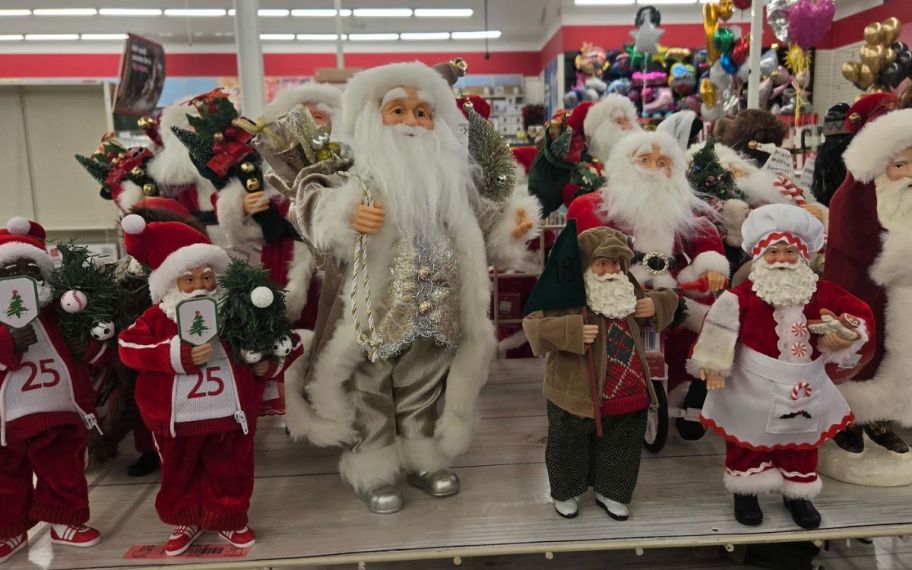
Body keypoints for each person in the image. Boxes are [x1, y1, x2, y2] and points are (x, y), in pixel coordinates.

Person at [286, 61, 539, 513]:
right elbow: (310, 202)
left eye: (422, 113)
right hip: (376, 309)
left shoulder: (450, 182)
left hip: (439, 308)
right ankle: (374, 465)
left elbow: (483, 223)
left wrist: (512, 226)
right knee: (370, 386)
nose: (411, 122)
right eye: (398, 111)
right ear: (371, 116)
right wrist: (347, 216)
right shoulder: (355, 173)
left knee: (425, 385)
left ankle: (423, 455)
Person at [117, 215, 302, 555]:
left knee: (230, 469)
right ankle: (185, 518)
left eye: (206, 277)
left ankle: (229, 519)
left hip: (229, 415)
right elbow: (128, 347)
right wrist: (175, 355)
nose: (201, 286)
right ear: (172, 284)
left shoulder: (235, 311)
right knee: (178, 470)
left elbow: (278, 342)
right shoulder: (158, 318)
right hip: (176, 420)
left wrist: (266, 364)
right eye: (190, 280)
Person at [688, 204, 873, 529]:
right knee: (747, 440)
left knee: (801, 443)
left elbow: (858, 315)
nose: (782, 259)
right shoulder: (742, 296)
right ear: (759, 257)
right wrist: (714, 366)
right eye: (773, 252)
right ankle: (746, 493)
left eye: (790, 251)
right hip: (752, 384)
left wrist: (846, 336)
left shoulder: (822, 293)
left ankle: (798, 494)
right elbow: (720, 326)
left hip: (806, 385)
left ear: (803, 257)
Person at [567, 130, 729, 440]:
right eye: (645, 159)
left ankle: (694, 389)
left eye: (663, 162)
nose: (654, 168)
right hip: (618, 294)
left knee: (715, 324)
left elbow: (705, 237)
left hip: (671, 294)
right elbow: (582, 252)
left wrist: (711, 268)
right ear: (625, 165)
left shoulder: (684, 211)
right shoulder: (592, 207)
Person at [523, 227, 678, 520]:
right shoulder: (567, 291)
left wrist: (656, 305)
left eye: (617, 262)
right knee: (568, 442)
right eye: (603, 262)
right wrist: (571, 331)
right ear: (586, 263)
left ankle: (613, 489)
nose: (611, 269)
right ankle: (565, 490)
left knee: (623, 443)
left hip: (627, 387)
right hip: (576, 390)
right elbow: (534, 326)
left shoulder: (626, 286)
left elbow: (666, 303)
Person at [0, 217, 105, 564]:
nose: (22, 275)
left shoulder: (59, 312)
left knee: (63, 468)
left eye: (31, 266)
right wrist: (6, 342)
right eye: (10, 268)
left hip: (56, 406)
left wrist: (86, 344)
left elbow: (94, 354)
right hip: (6, 417)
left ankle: (66, 522)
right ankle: (9, 529)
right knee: (5, 476)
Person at [824, 99, 912, 470]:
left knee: (892, 360)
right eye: (900, 166)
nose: (909, 174)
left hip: (901, 300)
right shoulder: (852, 197)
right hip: (859, 294)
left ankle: (878, 417)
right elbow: (856, 246)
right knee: (857, 358)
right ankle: (845, 419)